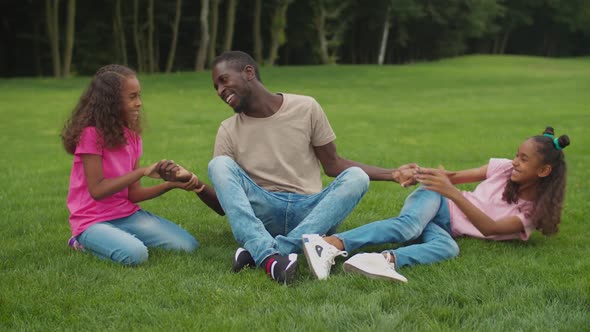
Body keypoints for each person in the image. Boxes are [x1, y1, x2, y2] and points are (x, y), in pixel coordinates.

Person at [207, 51, 417, 285]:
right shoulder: (227, 130)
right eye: (216, 87)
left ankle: (264, 252)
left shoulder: (305, 107)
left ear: (248, 73)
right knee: (219, 165)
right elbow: (229, 203)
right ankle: (271, 257)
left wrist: (393, 174)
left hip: (311, 213)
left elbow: (333, 164)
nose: (219, 91)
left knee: (356, 177)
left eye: (223, 80)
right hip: (264, 213)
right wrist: (195, 186)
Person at [303, 127, 570, 283]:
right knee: (408, 227)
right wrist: (422, 175)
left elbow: (490, 229)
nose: (515, 161)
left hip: (447, 219)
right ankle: (329, 244)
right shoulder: (502, 168)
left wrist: (453, 192)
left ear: (544, 170)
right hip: (437, 199)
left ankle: (381, 260)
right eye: (516, 155)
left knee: (448, 248)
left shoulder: (530, 213)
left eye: (523, 159)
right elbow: (452, 177)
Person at [61, 64, 202, 266]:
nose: (139, 103)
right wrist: (142, 172)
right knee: (136, 255)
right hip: (91, 220)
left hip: (126, 215)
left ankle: (117, 237)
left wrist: (171, 185)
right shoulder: (90, 135)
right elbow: (97, 190)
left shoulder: (132, 137)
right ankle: (80, 242)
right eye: (132, 97)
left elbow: (133, 195)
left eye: (139, 96)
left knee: (187, 246)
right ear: (111, 102)